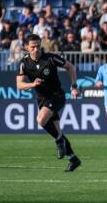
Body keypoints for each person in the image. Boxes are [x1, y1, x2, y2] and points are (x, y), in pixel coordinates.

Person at [16, 34, 81, 172]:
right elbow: (19, 85)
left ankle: (58, 141)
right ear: (27, 47)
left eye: (38, 46)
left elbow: (70, 67)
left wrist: (74, 87)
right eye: (32, 46)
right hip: (42, 99)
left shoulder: (50, 58)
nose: (35, 49)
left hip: (57, 96)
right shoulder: (24, 63)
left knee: (41, 120)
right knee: (58, 130)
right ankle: (73, 159)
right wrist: (32, 84)